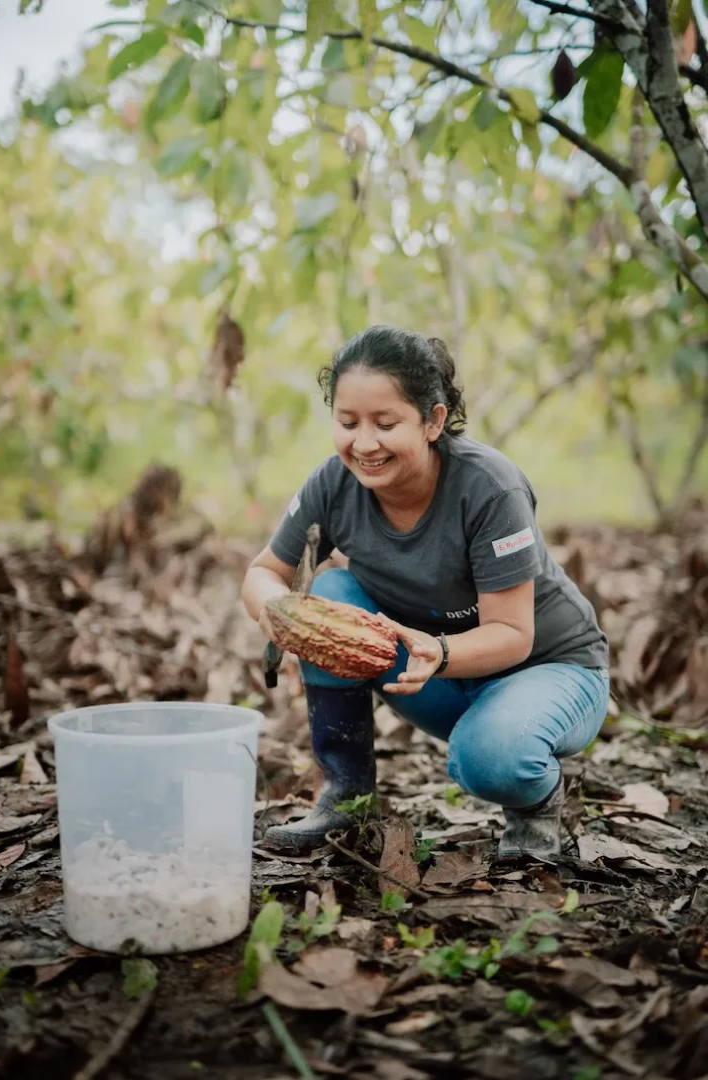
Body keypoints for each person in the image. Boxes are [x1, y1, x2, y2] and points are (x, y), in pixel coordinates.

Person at [241, 325, 610, 860]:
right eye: (347, 423)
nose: (363, 443)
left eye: (385, 423)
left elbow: (513, 635)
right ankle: (346, 794)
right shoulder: (334, 484)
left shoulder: (489, 488)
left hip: (547, 668)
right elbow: (262, 572)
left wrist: (441, 652)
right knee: (328, 596)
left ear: (433, 420)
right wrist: (280, 614)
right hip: (429, 670)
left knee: (489, 758)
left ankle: (535, 801)